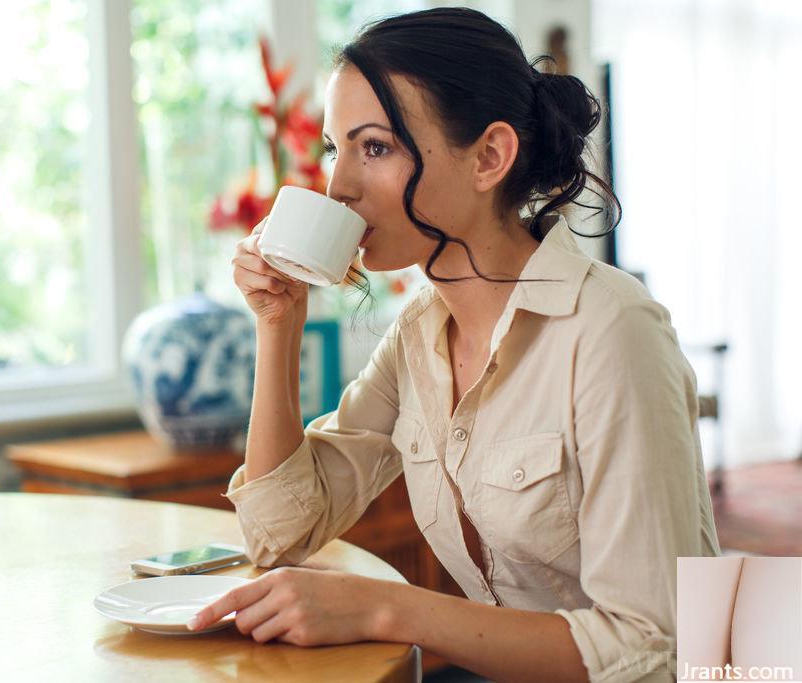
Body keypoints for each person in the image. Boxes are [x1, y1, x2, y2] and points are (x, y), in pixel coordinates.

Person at [189, 7, 718, 682]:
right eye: (333, 148)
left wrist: (390, 609)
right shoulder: (421, 332)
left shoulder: (612, 332)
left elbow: (652, 647)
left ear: (490, 157)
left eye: (374, 147)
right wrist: (277, 324)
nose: (337, 185)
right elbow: (279, 531)